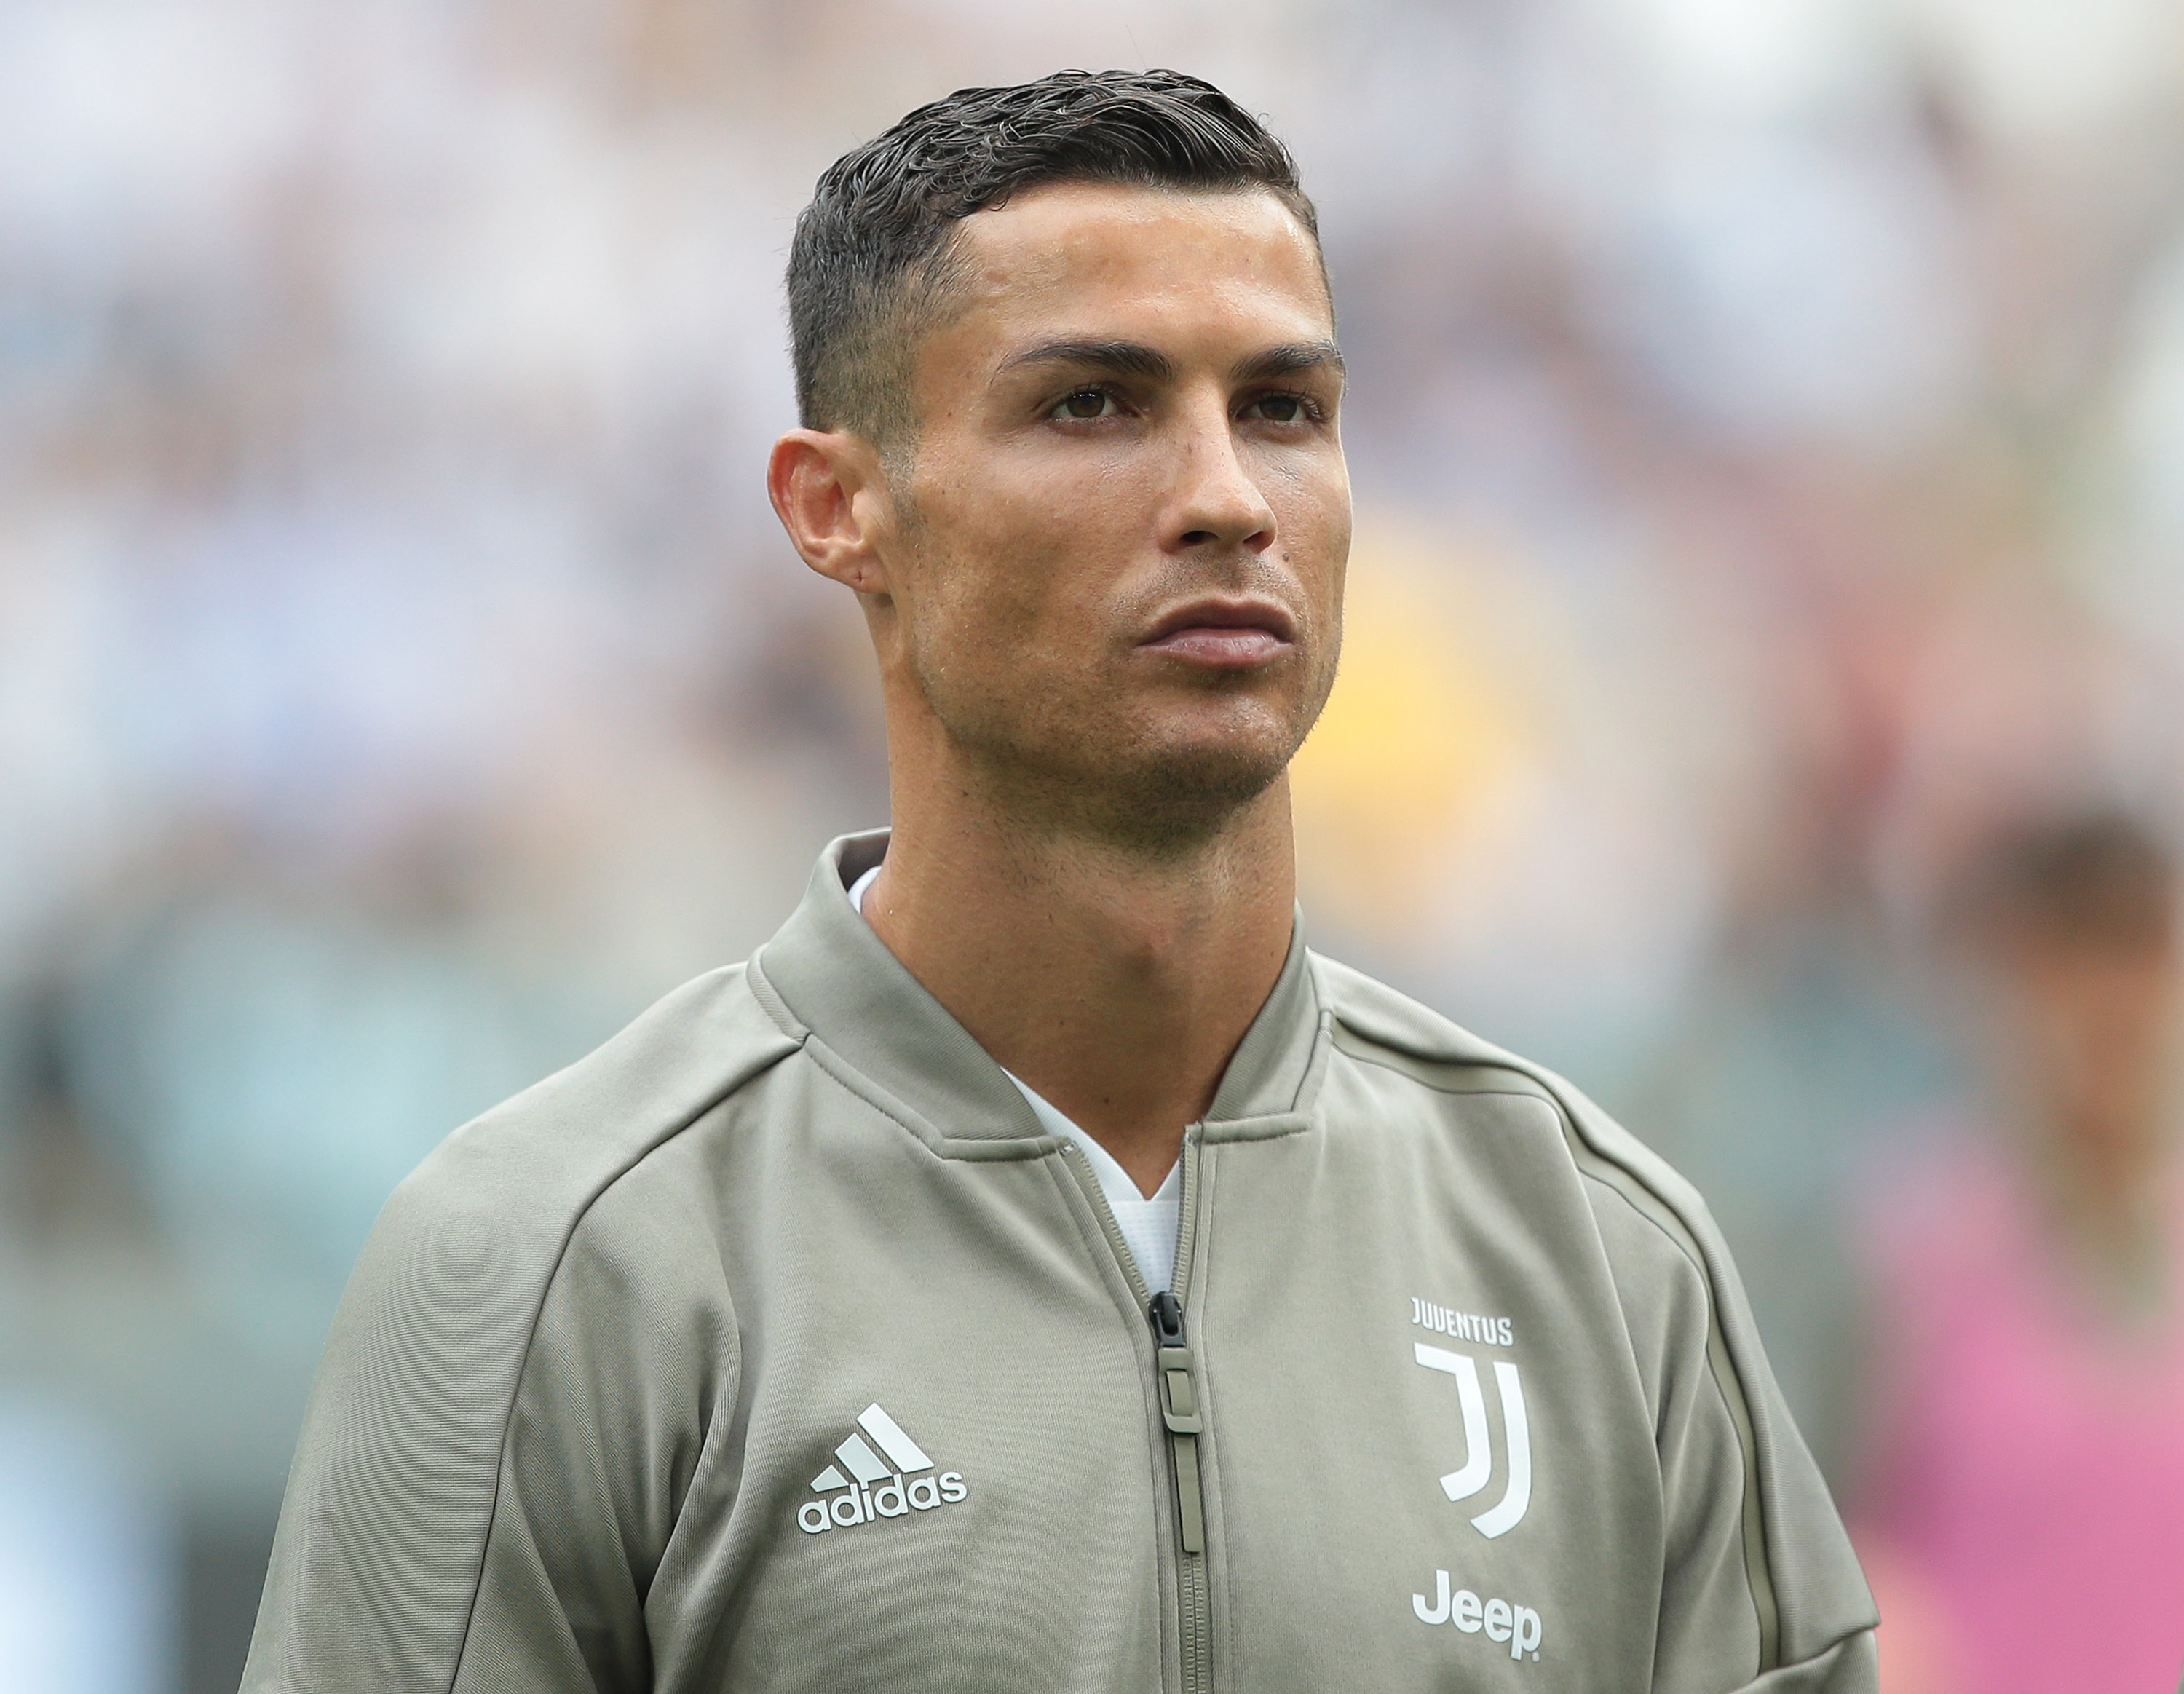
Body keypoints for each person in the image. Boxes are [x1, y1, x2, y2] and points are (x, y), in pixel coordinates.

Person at [241, 71, 1876, 1691]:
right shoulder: (559, 1257)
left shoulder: (1603, 1254)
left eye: (1286, 408)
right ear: (839, 509)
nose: (1230, 494)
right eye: (1093, 402)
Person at [1851, 810, 2184, 1692]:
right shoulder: (1915, 1240)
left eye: (2141, 958)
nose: (2114, 1009)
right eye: (2070, 965)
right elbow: (1818, 1533)